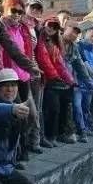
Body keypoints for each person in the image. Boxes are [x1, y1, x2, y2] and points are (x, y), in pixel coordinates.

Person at [0, 0, 42, 161]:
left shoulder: (22, 28)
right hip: (9, 78)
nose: (17, 14)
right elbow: (2, 51)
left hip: (24, 77)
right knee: (16, 117)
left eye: (20, 11)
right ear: (6, 9)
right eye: (13, 10)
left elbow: (26, 52)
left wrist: (31, 69)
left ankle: (22, 148)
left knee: (31, 115)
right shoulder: (1, 26)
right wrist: (2, 73)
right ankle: (15, 155)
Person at [35, 17, 76, 145]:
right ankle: (49, 135)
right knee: (52, 109)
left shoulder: (54, 42)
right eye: (50, 25)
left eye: (55, 27)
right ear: (45, 24)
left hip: (54, 79)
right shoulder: (41, 39)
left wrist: (69, 80)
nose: (51, 28)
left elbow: (60, 64)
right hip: (46, 80)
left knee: (65, 105)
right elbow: (43, 60)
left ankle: (59, 133)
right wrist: (56, 76)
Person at [25, 0, 51, 149]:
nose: (35, 10)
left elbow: (43, 52)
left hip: (37, 72)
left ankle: (37, 139)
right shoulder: (20, 25)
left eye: (38, 9)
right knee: (30, 109)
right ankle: (30, 142)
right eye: (32, 7)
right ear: (26, 7)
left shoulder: (38, 28)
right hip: (25, 70)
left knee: (38, 108)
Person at [63, 23, 93, 143]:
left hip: (71, 82)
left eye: (76, 33)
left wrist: (90, 84)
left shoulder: (74, 47)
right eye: (72, 31)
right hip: (57, 81)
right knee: (61, 108)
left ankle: (81, 132)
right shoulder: (57, 41)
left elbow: (80, 66)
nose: (74, 34)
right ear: (66, 29)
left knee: (75, 107)